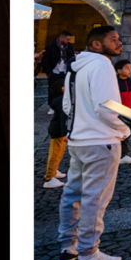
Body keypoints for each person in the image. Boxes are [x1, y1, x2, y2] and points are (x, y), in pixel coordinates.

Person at [57, 22, 127, 260]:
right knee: (95, 199)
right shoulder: (102, 65)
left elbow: (67, 106)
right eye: (114, 39)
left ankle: (68, 249)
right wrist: (123, 131)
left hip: (77, 141)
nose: (119, 43)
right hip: (100, 141)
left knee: (72, 194)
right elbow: (106, 107)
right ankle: (88, 254)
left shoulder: (75, 66)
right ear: (97, 44)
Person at [39, 32, 76, 188]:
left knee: (58, 153)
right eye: (67, 39)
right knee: (55, 153)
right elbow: (63, 118)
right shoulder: (61, 102)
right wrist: (66, 133)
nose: (68, 41)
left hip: (58, 131)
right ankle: (49, 177)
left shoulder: (69, 48)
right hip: (58, 132)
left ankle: (53, 171)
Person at [113, 58, 131, 164]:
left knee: (127, 134)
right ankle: (116, 154)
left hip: (130, 113)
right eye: (127, 68)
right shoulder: (114, 83)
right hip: (118, 113)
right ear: (119, 71)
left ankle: (122, 155)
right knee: (116, 134)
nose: (130, 70)